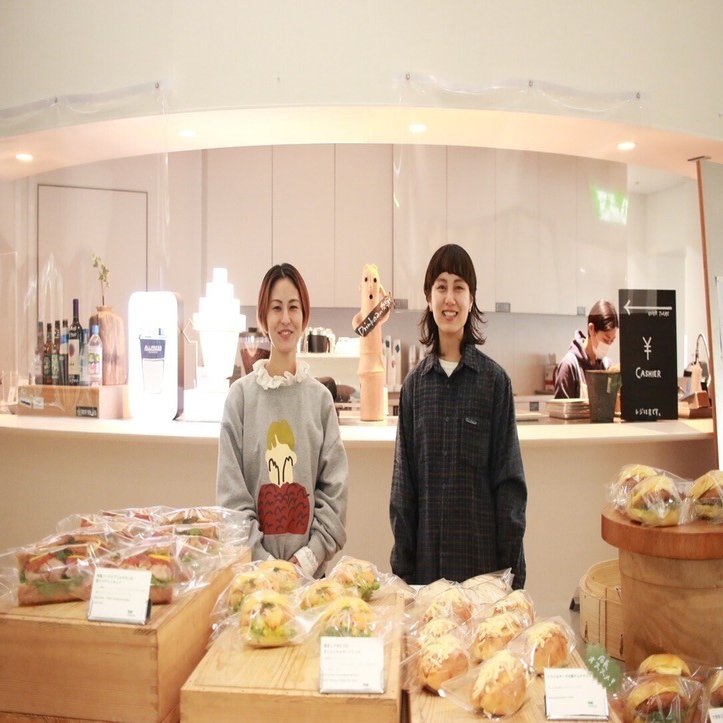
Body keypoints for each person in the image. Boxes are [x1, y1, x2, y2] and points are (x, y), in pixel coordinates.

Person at [389, 243, 527, 589]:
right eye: (441, 286)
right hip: (427, 574)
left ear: (471, 298)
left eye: (459, 287)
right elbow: (404, 491)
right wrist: (403, 575)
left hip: (482, 571)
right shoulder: (414, 388)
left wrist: (511, 575)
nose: (449, 298)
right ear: (428, 297)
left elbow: (509, 486)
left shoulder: (495, 383)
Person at [216, 262, 348, 578]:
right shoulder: (240, 398)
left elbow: (335, 491)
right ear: (263, 318)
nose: (285, 318)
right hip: (253, 577)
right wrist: (264, 563)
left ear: (305, 317)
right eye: (276, 308)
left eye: (293, 307)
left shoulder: (320, 400)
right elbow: (231, 498)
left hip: (311, 578)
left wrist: (308, 559)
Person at [554, 300, 619, 399]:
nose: (608, 345)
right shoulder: (569, 366)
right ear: (591, 329)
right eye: (605, 340)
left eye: (612, 341)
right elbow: (562, 408)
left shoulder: (607, 365)